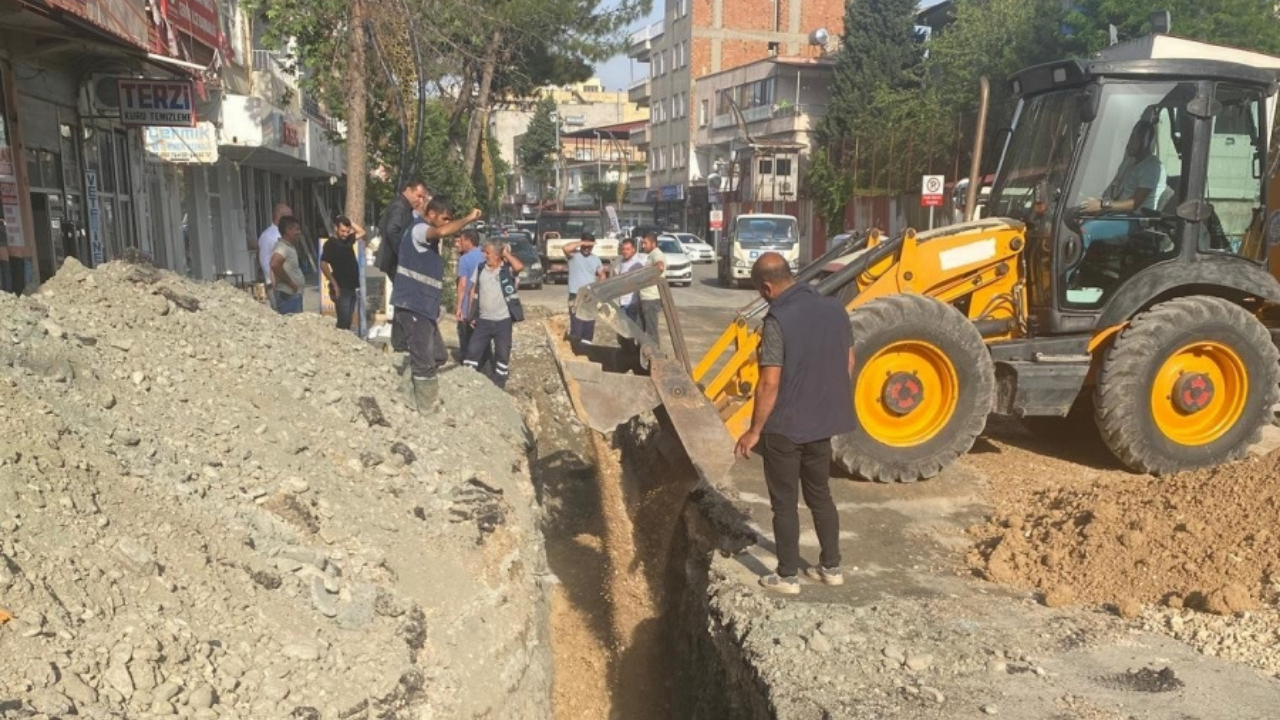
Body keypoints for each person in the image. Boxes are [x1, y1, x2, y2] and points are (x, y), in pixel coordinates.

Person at [733, 253, 857, 595]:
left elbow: (769, 382)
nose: (762, 297)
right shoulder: (835, 309)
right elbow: (847, 362)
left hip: (785, 428)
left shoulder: (778, 320)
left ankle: (787, 576)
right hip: (821, 425)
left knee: (784, 503)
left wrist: (754, 430)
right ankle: (831, 567)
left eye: (761, 292)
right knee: (820, 495)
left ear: (768, 287)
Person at [391, 198, 482, 413]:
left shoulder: (427, 238)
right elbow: (440, 232)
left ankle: (406, 390)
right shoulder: (420, 230)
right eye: (444, 218)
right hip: (413, 303)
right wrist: (468, 218)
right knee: (423, 358)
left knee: (439, 354)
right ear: (431, 214)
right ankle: (426, 407)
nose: (446, 223)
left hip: (424, 307)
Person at [463, 239, 525, 389]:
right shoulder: (480, 268)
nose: (485, 255)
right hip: (483, 320)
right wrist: (471, 314)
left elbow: (519, 266)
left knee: (502, 354)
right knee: (473, 351)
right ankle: (467, 381)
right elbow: (473, 291)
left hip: (503, 322)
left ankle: (499, 385)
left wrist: (506, 253)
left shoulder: (506, 270)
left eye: (488, 253)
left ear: (497, 255)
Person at [1080, 119, 1166, 217]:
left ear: (1145, 142)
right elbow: (1121, 198)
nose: (1127, 143)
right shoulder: (1134, 164)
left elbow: (1134, 204)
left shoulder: (1152, 168)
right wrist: (1098, 202)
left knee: (1087, 229)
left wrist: (1102, 205)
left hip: (1135, 220)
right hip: (1121, 215)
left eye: (1132, 139)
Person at [376, 179, 430, 281]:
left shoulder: (405, 206)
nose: (420, 201)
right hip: (395, 260)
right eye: (418, 196)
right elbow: (391, 230)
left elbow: (383, 224)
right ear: (408, 190)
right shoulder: (400, 206)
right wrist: (403, 252)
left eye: (423, 198)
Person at [321, 216, 365, 332]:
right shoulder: (330, 244)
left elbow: (361, 232)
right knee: (343, 322)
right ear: (336, 228)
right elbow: (323, 264)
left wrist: (350, 221)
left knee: (348, 320)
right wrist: (334, 283)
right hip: (341, 288)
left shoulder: (348, 240)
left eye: (347, 231)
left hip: (352, 287)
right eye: (342, 231)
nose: (345, 234)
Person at [564, 232, 608, 343]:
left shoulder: (596, 259)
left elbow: (602, 275)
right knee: (577, 326)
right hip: (576, 296)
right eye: (585, 245)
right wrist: (582, 242)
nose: (587, 248)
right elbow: (565, 248)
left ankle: (586, 349)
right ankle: (575, 350)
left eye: (590, 246)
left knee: (588, 326)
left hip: (590, 297)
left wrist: (599, 291)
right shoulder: (574, 256)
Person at [455, 229, 487, 362]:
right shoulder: (485, 256)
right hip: (484, 305)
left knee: (466, 340)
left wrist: (459, 307)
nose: (459, 244)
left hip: (468, 305)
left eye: (461, 241)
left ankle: (467, 365)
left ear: (468, 241)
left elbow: (463, 285)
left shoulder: (464, 259)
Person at [269, 216, 306, 315]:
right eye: (296, 229)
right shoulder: (282, 247)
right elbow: (274, 264)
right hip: (288, 296)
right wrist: (290, 283)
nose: (299, 232)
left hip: (292, 295)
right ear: (288, 230)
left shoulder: (288, 246)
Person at [635, 231, 666, 346]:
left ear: (653, 244)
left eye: (645, 243)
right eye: (642, 243)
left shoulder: (657, 254)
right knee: (639, 329)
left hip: (651, 299)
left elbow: (660, 266)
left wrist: (646, 277)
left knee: (651, 330)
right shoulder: (650, 256)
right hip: (645, 298)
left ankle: (655, 356)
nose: (643, 246)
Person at [258, 202, 292, 303]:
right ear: (279, 217)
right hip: (277, 286)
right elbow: (265, 262)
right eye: (289, 217)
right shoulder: (269, 236)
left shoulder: (284, 234)